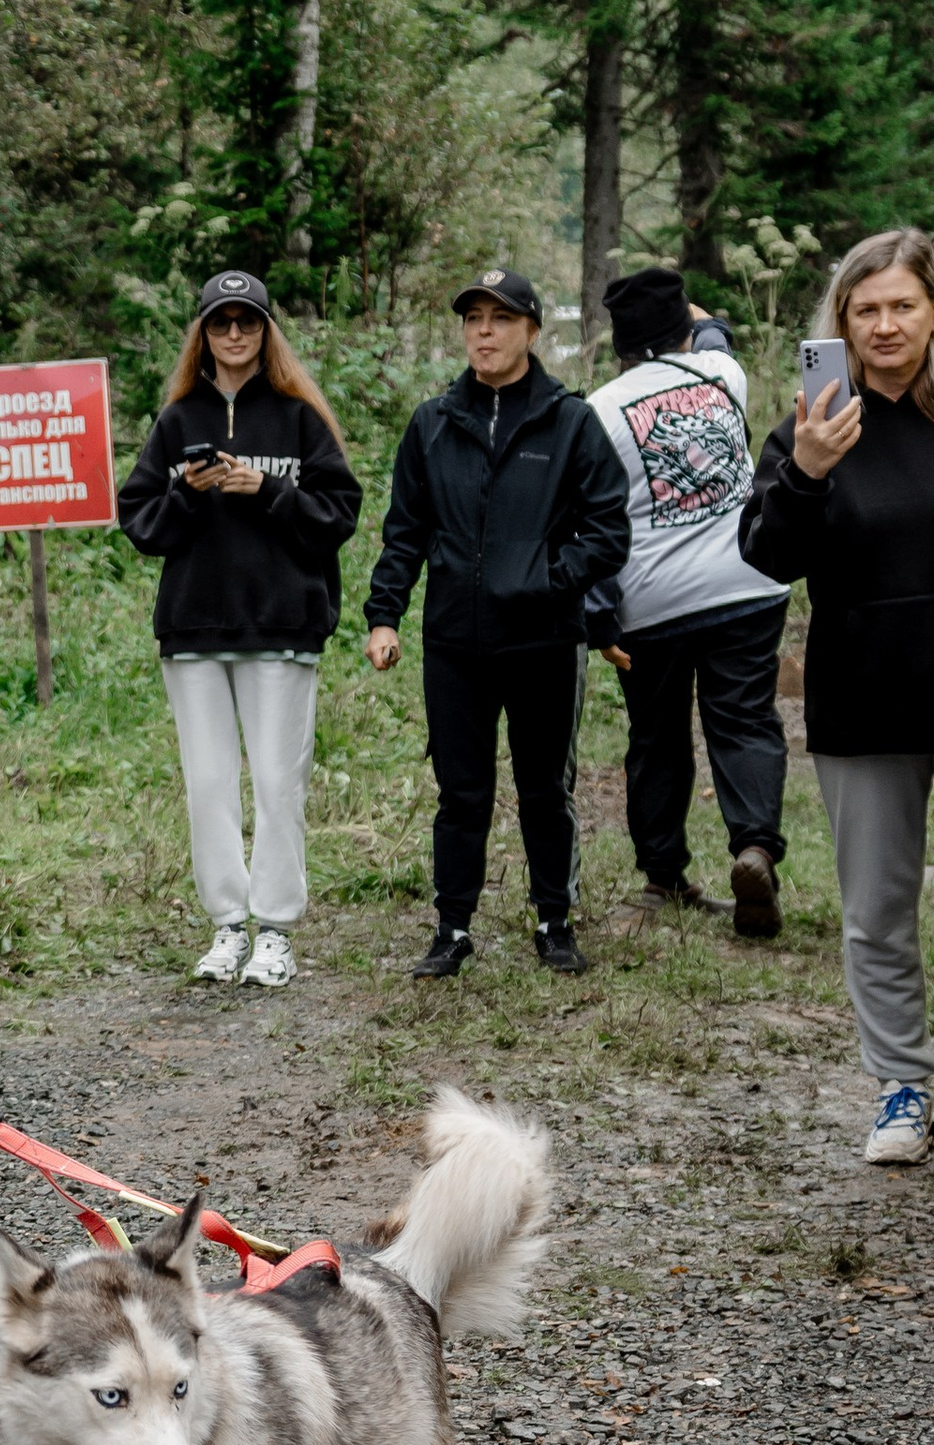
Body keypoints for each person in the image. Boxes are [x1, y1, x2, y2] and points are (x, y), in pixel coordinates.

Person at [363, 265, 632, 978]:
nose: (484, 331)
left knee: (545, 787)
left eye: (501, 318)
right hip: (455, 640)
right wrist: (384, 615)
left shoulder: (570, 421)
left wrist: (549, 580)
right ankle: (451, 930)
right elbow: (404, 533)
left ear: (532, 331)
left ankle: (555, 921)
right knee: (461, 790)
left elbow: (609, 530)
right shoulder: (432, 422)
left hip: (544, 640)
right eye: (474, 319)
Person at [741, 227, 934, 1166]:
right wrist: (808, 470)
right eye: (868, 310)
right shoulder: (817, 420)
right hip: (867, 698)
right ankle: (905, 1084)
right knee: (877, 910)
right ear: (844, 324)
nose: (887, 324)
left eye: (904, 304)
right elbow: (767, 555)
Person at [117, 269, 362, 989]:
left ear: (265, 332)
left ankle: (276, 931)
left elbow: (339, 514)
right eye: (220, 323)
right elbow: (139, 524)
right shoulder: (176, 422)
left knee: (280, 784)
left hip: (283, 629)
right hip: (194, 632)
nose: (233, 335)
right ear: (203, 333)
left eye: (246, 323)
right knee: (210, 784)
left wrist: (269, 490)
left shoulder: (297, 417)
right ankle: (227, 926)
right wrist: (185, 494)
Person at [584, 264, 788, 936]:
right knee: (746, 720)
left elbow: (592, 519)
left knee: (657, 736)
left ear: (620, 342)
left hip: (654, 600)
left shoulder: (601, 410)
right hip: (748, 579)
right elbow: (714, 329)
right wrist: (690, 315)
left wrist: (600, 615)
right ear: (681, 326)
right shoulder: (721, 375)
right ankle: (755, 846)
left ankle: (664, 876)